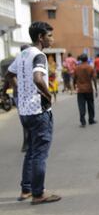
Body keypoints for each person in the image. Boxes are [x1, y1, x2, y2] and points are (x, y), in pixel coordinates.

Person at [4, 21, 61, 205]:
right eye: (49, 36)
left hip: (24, 112)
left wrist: (17, 90)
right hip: (38, 111)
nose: (52, 39)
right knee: (39, 154)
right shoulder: (39, 56)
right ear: (40, 37)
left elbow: (9, 75)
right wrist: (48, 94)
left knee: (31, 152)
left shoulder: (22, 54)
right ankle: (38, 194)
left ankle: (26, 189)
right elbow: (38, 78)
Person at [73, 54, 98, 127]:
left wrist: (74, 86)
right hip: (89, 89)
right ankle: (91, 119)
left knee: (81, 105)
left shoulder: (77, 68)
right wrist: (96, 89)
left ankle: (83, 121)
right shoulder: (90, 67)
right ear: (87, 59)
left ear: (81, 60)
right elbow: (94, 79)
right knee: (90, 105)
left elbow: (74, 78)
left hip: (80, 89)